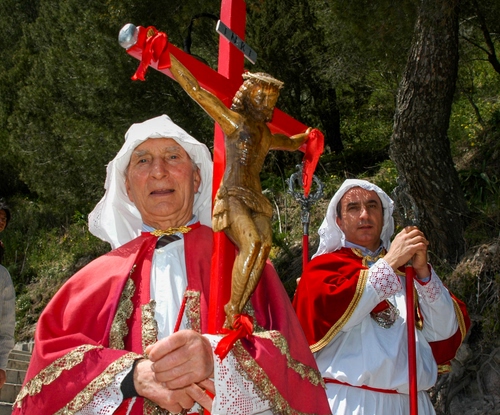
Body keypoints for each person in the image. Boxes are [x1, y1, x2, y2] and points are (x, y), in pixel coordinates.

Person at [13, 115, 330, 415]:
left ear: (197, 178)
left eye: (173, 157)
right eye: (142, 161)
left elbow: (295, 369)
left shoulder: (243, 262)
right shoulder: (94, 280)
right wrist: (131, 377)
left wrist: (217, 358)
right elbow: (45, 381)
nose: (158, 171)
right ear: (127, 187)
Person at [293, 179, 470, 414]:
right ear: (339, 221)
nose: (364, 215)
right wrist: (390, 262)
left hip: (413, 403)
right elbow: (343, 313)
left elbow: (443, 333)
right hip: (353, 403)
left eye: (372, 206)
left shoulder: (408, 272)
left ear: (384, 217)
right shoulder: (322, 270)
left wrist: (423, 274)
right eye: (353, 208)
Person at [166, 52, 317, 327]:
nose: (266, 104)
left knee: (265, 245)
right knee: (252, 243)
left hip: (256, 196)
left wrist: (308, 137)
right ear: (247, 96)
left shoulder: (266, 134)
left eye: (271, 100)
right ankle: (233, 308)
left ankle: (239, 305)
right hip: (233, 192)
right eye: (261, 98)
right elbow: (197, 92)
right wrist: (169, 58)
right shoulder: (235, 122)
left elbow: (290, 143)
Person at [0, 201, 15, 389]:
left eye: (4, 219)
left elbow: (6, 322)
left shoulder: (3, 275)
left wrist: (2, 364)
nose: (1, 222)